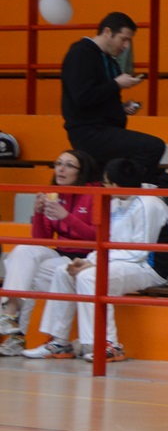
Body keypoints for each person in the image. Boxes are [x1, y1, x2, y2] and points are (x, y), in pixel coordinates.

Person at [26, 158, 168, 363]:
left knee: (90, 277)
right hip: (120, 261)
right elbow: (107, 241)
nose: (102, 187)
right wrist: (88, 260)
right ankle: (59, 341)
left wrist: (94, 264)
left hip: (150, 267)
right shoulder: (114, 202)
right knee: (64, 271)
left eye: (105, 183)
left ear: (116, 184)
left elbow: (139, 252)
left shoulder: (149, 204)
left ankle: (108, 344)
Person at [1, 149, 97, 356]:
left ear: (81, 172)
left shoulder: (94, 194)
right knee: (23, 252)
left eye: (69, 165)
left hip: (86, 260)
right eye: (58, 164)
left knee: (28, 278)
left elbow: (97, 237)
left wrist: (67, 217)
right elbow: (40, 241)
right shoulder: (53, 194)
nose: (61, 169)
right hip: (60, 254)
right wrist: (37, 213)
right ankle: (10, 315)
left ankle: (18, 332)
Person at [61, 12, 166, 171]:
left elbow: (98, 98)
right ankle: (125, 184)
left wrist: (121, 108)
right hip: (89, 132)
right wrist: (116, 84)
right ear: (107, 32)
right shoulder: (81, 54)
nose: (126, 46)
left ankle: (115, 182)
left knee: (113, 168)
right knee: (153, 147)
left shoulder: (110, 61)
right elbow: (82, 97)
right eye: (123, 39)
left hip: (105, 129)